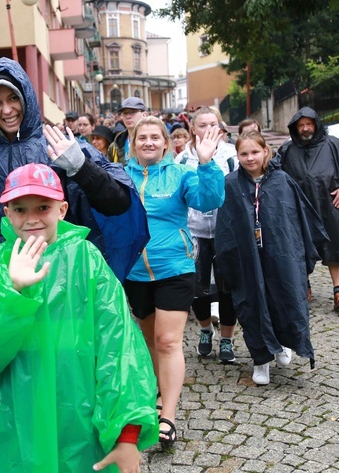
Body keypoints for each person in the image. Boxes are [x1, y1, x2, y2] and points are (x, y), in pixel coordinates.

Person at [0, 57, 149, 420]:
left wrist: (81, 166)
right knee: (10, 385)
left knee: (65, 381)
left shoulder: (58, 143)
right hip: (5, 289)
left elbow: (117, 203)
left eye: (13, 98)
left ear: (27, 97)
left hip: (63, 287)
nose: (6, 109)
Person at [0, 163, 158, 473]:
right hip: (17, 412)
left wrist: (125, 433)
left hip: (80, 411)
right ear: (7, 213)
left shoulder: (86, 260)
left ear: (62, 209)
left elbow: (118, 344)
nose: (31, 218)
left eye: (43, 207)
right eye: (20, 209)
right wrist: (11, 289)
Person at [124, 116, 224, 448]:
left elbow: (209, 201)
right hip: (135, 273)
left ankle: (168, 415)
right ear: (133, 143)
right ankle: (156, 389)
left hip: (175, 269)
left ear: (166, 143)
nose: (149, 142)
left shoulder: (181, 174)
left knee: (168, 342)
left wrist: (207, 163)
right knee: (151, 340)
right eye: (143, 138)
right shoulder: (121, 176)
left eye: (155, 137)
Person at [216, 131, 327, 385]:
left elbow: (296, 219)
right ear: (237, 156)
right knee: (253, 302)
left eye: (255, 152)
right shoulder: (230, 183)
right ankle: (261, 359)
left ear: (266, 152)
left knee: (284, 296)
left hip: (280, 253)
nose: (249, 158)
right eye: (243, 153)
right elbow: (225, 224)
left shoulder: (282, 181)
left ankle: (284, 342)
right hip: (247, 255)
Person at [275, 107, 339, 310]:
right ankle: (304, 286)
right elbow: (275, 176)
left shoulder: (335, 145)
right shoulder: (287, 150)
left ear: (316, 124)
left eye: (308, 124)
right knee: (299, 247)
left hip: (330, 206)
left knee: (336, 246)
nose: (305, 129)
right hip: (299, 209)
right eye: (301, 125)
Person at [175, 107, 239, 364]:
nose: (209, 129)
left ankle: (227, 338)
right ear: (193, 128)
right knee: (197, 288)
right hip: (194, 232)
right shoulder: (182, 159)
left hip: (226, 232)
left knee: (227, 288)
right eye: (203, 125)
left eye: (213, 124)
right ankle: (205, 329)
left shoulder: (232, 155)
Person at [108, 97, 147, 165]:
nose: (128, 116)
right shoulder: (115, 146)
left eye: (132, 112)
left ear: (144, 115)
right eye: (125, 113)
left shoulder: (155, 142)